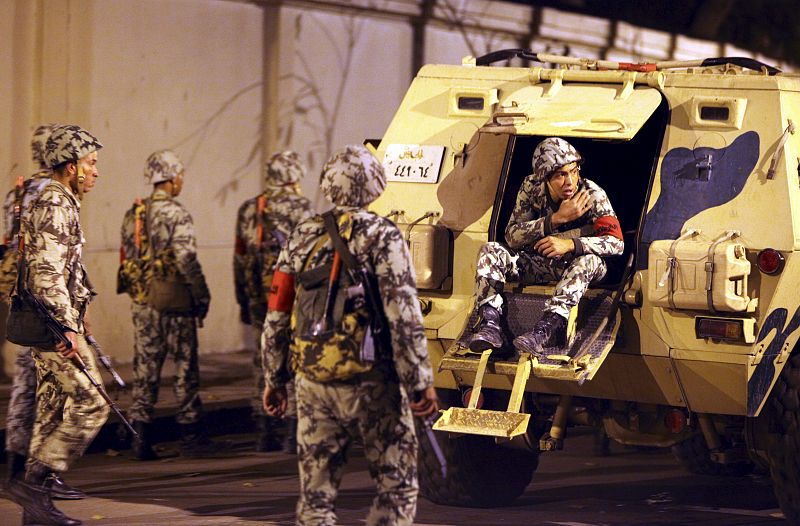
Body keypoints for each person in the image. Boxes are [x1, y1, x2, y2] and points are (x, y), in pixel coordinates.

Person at [261, 145, 439, 525]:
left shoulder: (302, 235)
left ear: (327, 184)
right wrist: (419, 381)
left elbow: (277, 311)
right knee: (396, 487)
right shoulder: (383, 235)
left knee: (316, 497)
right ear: (375, 185)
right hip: (373, 382)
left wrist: (274, 379)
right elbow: (403, 315)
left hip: (313, 382)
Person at [6, 124, 110, 526]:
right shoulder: (54, 200)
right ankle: (34, 484)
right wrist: (67, 327)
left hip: (53, 321)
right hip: (53, 325)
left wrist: (81, 308)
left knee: (51, 409)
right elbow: (46, 270)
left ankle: (36, 508)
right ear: (71, 166)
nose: (96, 171)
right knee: (92, 403)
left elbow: (66, 267)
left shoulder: (61, 198)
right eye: (91, 163)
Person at [469, 137, 624, 356]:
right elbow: (512, 236)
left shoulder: (592, 195)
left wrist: (570, 244)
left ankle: (544, 332)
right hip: (541, 263)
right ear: (545, 177)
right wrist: (554, 220)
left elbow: (616, 243)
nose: (569, 181)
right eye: (560, 175)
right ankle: (490, 326)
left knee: (588, 261)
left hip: (580, 268)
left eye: (573, 171)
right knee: (491, 251)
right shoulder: (531, 187)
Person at [120, 149, 216, 459]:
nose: (181, 182)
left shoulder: (133, 213)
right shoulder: (177, 213)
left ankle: (140, 437)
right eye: (180, 177)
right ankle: (191, 434)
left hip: (143, 302)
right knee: (185, 367)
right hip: (175, 301)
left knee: (145, 367)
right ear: (172, 178)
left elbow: (127, 257)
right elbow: (186, 260)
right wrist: (202, 294)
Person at [233, 151, 313, 453]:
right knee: (294, 354)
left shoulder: (249, 208)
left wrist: (243, 299)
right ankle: (292, 431)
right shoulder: (302, 207)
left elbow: (239, 257)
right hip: (292, 295)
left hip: (258, 295)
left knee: (263, 355)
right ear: (294, 175)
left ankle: (264, 430)